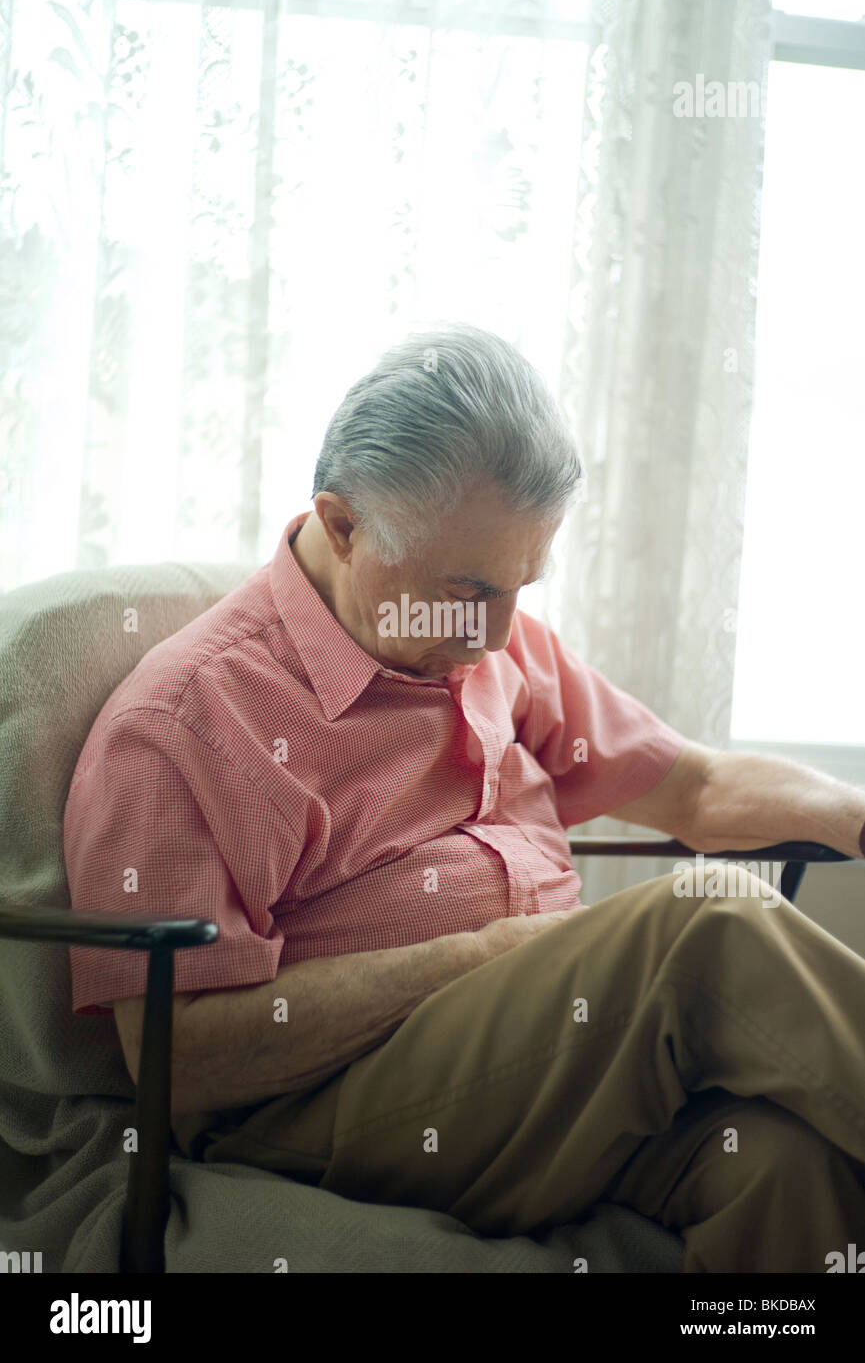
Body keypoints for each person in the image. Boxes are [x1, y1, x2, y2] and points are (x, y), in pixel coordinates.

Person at [64, 323, 865, 1272]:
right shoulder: (191, 721)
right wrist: (488, 955)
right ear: (343, 524)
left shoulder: (492, 640)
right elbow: (183, 1058)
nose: (495, 634)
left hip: (542, 1071)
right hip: (322, 1106)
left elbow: (691, 785)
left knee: (780, 1166)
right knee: (706, 923)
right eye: (469, 588)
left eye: (522, 585)